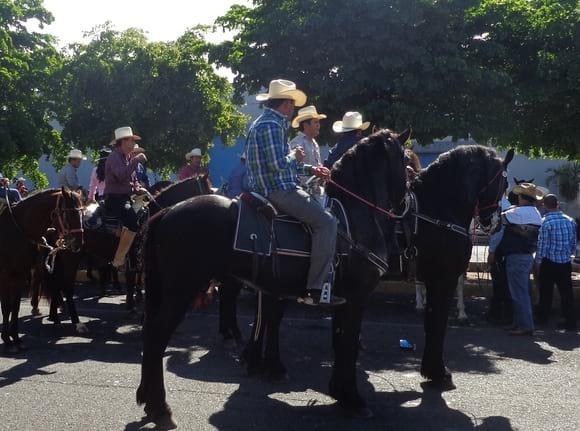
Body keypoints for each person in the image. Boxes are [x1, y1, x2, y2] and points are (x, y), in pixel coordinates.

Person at [246, 78, 343, 305]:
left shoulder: (266, 122)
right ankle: (315, 289)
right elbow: (277, 164)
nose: (293, 108)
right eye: (292, 103)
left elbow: (285, 162)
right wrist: (294, 156)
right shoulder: (271, 125)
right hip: (277, 190)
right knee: (327, 222)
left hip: (274, 186)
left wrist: (310, 168)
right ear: (286, 104)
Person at [488, 183, 543, 336]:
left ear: (520, 197)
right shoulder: (534, 212)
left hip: (516, 256)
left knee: (519, 293)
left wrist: (492, 251)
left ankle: (525, 325)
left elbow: (497, 220)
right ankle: (519, 323)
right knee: (521, 291)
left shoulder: (517, 213)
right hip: (525, 256)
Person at [104, 126, 147, 268]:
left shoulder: (127, 157)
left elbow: (132, 180)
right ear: (122, 142)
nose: (133, 144)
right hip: (114, 198)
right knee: (132, 219)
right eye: (130, 140)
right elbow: (121, 175)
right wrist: (136, 161)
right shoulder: (113, 157)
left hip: (126, 197)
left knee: (146, 213)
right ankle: (119, 259)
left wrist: (139, 188)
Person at [535, 194, 577, 331]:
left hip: (549, 262)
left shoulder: (545, 222)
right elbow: (573, 242)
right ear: (557, 204)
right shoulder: (570, 221)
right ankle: (570, 321)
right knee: (567, 293)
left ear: (545, 206)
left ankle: (542, 319)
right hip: (565, 262)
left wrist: (538, 262)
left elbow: (542, 246)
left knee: (546, 292)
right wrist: (568, 254)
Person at [289, 105, 326, 200]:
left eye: (318, 122)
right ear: (305, 125)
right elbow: (294, 168)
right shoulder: (297, 143)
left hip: (316, 191)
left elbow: (317, 165)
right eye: (315, 122)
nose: (319, 125)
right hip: (304, 193)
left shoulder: (314, 143)